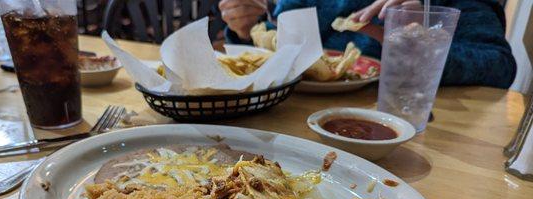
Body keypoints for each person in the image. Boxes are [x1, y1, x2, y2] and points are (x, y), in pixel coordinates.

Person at [218, 0, 517, 88]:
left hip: (413, 131)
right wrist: (246, 29)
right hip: (295, 119)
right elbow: (282, 34)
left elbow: (500, 66)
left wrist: (424, 50)